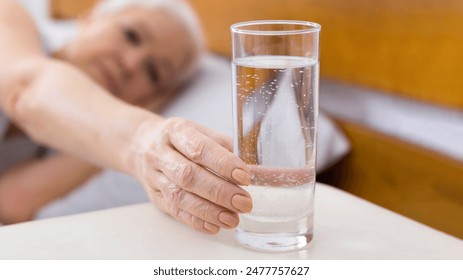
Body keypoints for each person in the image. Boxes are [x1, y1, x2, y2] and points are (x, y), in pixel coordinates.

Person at [0, 0, 252, 233]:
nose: (130, 63)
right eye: (131, 35)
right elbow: (28, 91)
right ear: (91, 17)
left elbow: (10, 204)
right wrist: (142, 137)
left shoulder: (72, 135)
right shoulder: (9, 17)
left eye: (153, 72)